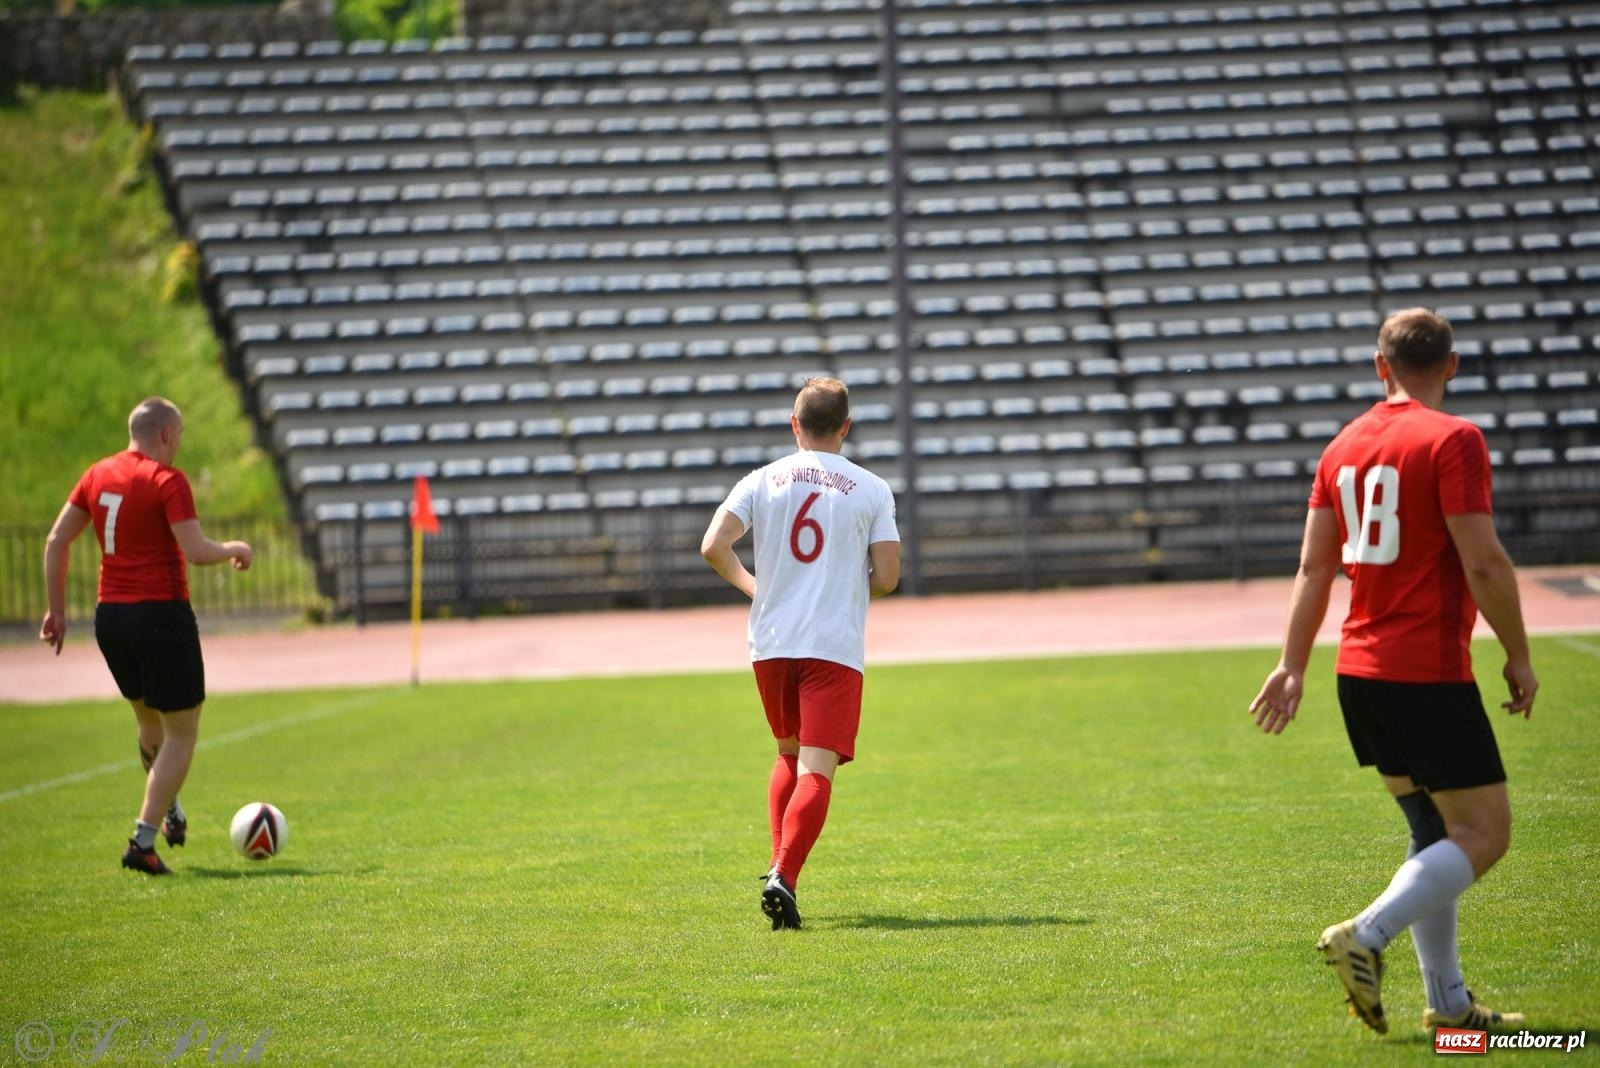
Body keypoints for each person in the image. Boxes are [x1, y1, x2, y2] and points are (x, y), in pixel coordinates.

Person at [1248, 309, 1538, 1035]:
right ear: (1452, 365)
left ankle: (1449, 1007)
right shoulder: (1455, 439)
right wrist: (1519, 652)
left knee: (1433, 830)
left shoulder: (1342, 446)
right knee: (1486, 833)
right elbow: (1482, 560)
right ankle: (1365, 935)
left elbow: (1315, 567)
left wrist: (1291, 665)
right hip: (1426, 669)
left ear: (1381, 366)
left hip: (1360, 670)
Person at [701, 377, 900, 930]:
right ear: (845, 428)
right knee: (818, 765)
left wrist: (753, 586)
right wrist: (845, 582)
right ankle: (784, 875)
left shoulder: (762, 480)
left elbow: (713, 545)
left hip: (771, 643)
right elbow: (887, 576)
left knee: (787, 753)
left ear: (794, 425)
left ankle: (775, 865)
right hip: (831, 644)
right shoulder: (872, 488)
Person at [40, 397, 252, 875]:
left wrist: (56, 610)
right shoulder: (166, 479)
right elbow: (196, 552)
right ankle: (143, 840)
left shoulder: (97, 473)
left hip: (109, 617)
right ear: (166, 435)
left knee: (148, 722)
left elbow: (57, 541)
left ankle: (168, 808)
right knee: (182, 732)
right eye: (178, 436)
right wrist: (235, 548)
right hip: (160, 614)